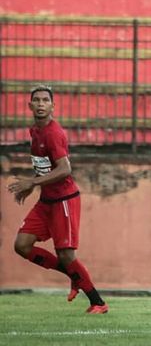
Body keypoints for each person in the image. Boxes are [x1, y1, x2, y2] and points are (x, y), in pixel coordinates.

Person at [8, 86, 109, 314]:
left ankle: (98, 302)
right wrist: (33, 184)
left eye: (45, 100)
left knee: (66, 254)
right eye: (37, 100)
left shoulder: (54, 133)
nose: (41, 104)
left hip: (64, 199)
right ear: (30, 106)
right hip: (46, 201)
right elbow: (46, 168)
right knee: (22, 245)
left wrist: (32, 183)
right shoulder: (35, 131)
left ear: (53, 106)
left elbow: (64, 169)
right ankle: (73, 275)